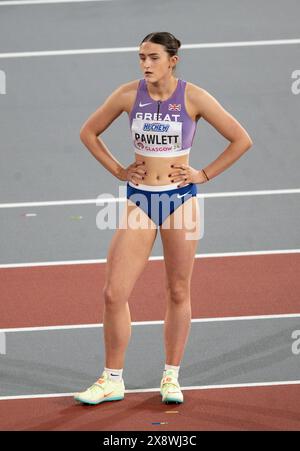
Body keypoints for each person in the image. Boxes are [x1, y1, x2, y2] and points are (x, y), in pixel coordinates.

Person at [74, 31, 253, 405]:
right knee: (113, 293)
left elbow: (241, 139)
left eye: (153, 57)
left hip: (180, 202)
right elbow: (89, 133)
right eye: (141, 57)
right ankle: (112, 379)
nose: (145, 65)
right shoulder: (127, 95)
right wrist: (118, 170)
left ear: (173, 60)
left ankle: (170, 376)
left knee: (177, 290)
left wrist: (203, 174)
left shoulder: (194, 97)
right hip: (140, 201)